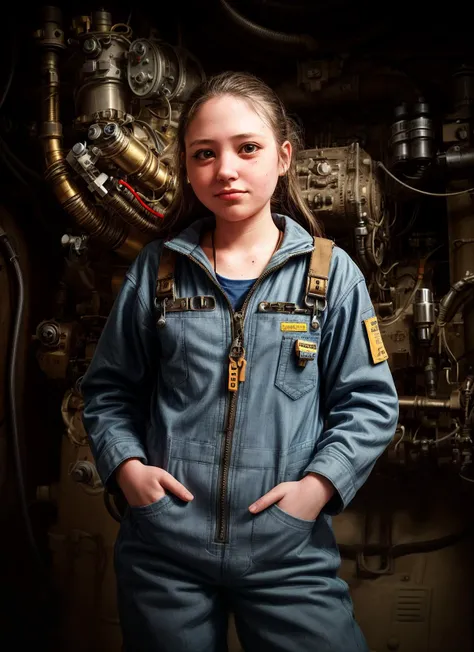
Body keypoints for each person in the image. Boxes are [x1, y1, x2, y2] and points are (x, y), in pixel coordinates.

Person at [81, 70, 399, 652]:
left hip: (286, 550)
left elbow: (370, 403)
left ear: (282, 158)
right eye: (204, 154)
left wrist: (317, 488)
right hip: (164, 551)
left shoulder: (330, 275)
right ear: (186, 165)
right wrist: (127, 469)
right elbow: (108, 392)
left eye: (246, 148)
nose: (225, 169)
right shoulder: (158, 270)